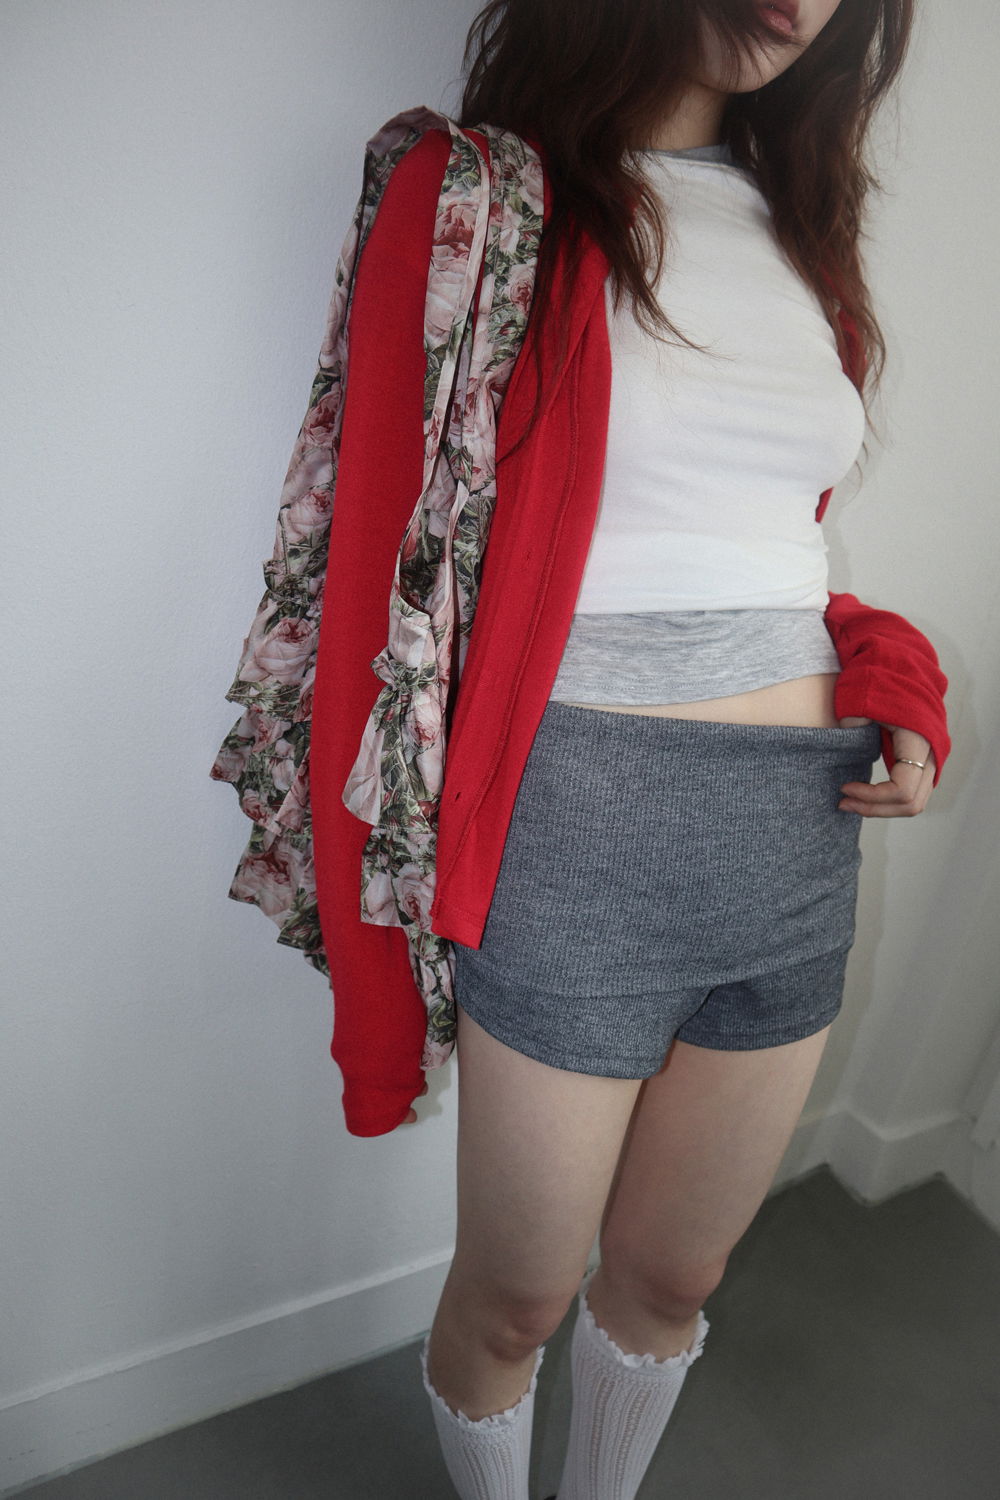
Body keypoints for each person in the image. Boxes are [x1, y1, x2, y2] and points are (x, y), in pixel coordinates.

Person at [403, 2, 942, 1499]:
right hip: (580, 820)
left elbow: (771, 560)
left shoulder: (796, 227)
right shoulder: (493, 198)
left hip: (801, 826)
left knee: (668, 1280)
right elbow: (395, 548)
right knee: (515, 1298)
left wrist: (894, 678)